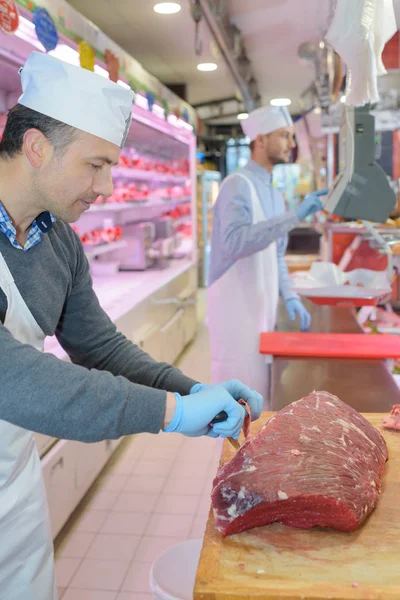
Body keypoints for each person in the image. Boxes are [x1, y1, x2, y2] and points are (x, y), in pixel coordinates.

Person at [0, 52, 263, 599]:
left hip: (11, 489)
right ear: (36, 147)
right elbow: (12, 377)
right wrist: (171, 412)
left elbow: (101, 347)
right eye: (95, 165)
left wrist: (190, 388)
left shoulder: (59, 241)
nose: (107, 187)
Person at [207, 105, 327, 399]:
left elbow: (275, 255)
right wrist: (295, 216)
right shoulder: (236, 185)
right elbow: (236, 242)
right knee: (234, 400)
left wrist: (291, 297)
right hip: (235, 313)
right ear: (260, 140)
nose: (292, 144)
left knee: (260, 394)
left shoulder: (274, 194)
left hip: (261, 310)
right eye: (284, 136)